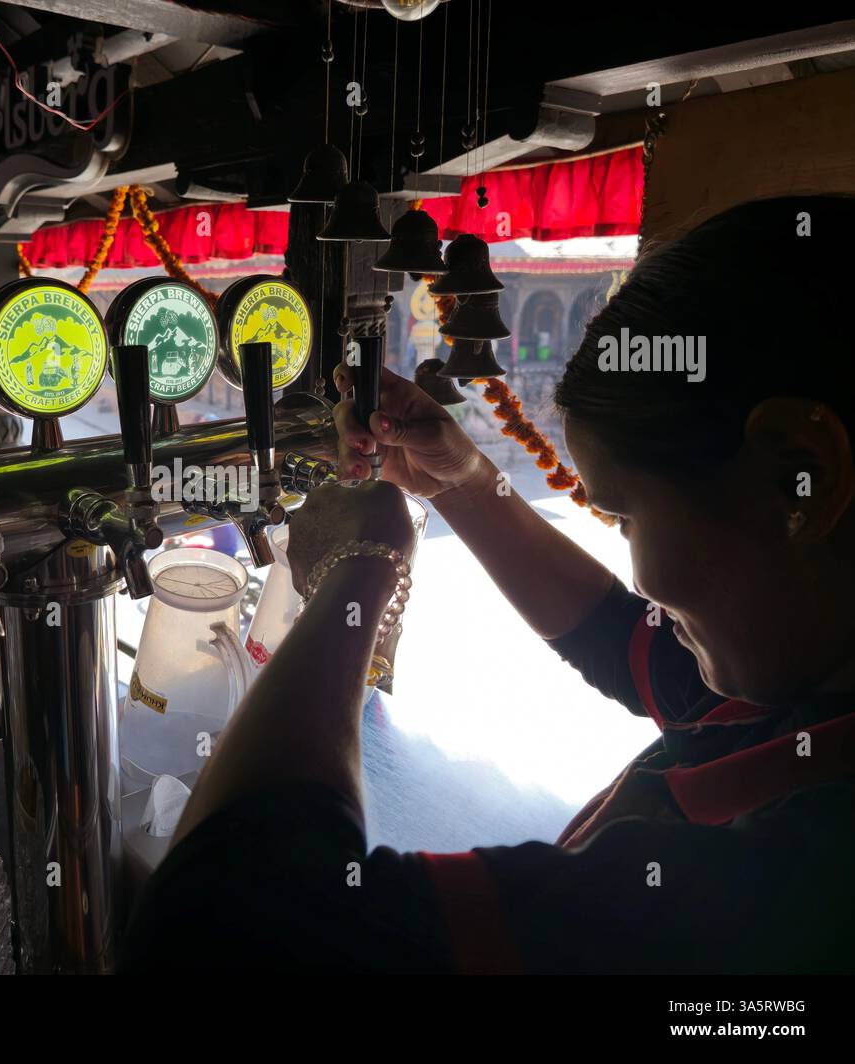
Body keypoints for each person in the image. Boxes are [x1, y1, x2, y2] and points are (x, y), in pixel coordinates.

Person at [119, 196, 855, 973]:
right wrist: (462, 481)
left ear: (794, 477)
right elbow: (627, 643)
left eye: (627, 516)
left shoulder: (802, 880)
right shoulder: (801, 688)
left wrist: (362, 568)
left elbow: (224, 923)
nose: (645, 583)